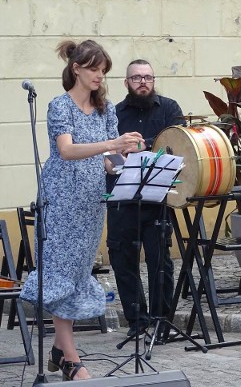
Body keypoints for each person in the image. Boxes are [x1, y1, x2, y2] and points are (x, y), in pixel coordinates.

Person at [20, 40, 143, 381]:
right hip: (60, 201)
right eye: (93, 69)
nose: (98, 76)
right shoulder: (60, 106)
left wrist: (129, 155)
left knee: (76, 274)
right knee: (60, 271)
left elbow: (108, 163)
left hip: (90, 202)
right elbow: (67, 150)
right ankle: (71, 360)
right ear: (76, 68)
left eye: (103, 71)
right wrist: (112, 144)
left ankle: (60, 351)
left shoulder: (106, 110)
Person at [106, 59, 184, 337]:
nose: (143, 82)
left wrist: (143, 146)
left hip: (157, 197)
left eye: (148, 77)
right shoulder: (113, 114)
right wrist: (119, 153)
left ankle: (163, 322)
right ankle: (137, 322)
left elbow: (178, 145)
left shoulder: (170, 109)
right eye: (136, 77)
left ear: (154, 80)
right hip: (122, 197)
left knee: (160, 261)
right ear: (126, 83)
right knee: (122, 259)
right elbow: (108, 154)